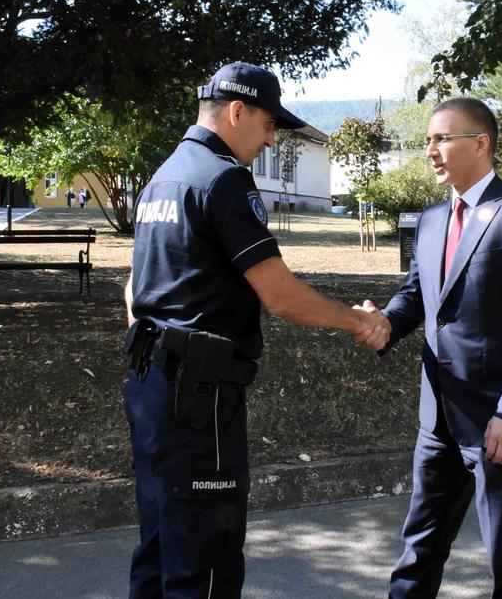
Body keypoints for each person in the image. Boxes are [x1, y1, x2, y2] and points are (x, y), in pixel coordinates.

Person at [123, 61, 388, 598]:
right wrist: (358, 320)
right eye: (268, 125)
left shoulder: (165, 174)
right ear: (237, 111)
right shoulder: (222, 180)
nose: (270, 140)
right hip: (199, 399)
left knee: (161, 546)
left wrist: (160, 338)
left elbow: (133, 286)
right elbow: (281, 296)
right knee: (207, 561)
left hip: (151, 385)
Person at [359, 97, 502, 598]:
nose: (430, 150)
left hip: (498, 419)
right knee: (420, 546)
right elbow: (417, 296)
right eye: (428, 139)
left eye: (441, 138)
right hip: (437, 416)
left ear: (480, 143)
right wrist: (383, 322)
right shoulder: (431, 220)